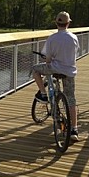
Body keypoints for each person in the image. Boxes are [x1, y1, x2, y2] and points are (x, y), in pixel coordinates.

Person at [32, 11, 80, 141]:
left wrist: (49, 60)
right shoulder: (74, 38)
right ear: (68, 23)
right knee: (71, 98)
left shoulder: (52, 38)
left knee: (35, 70)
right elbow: (75, 52)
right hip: (70, 71)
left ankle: (43, 93)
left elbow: (48, 59)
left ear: (56, 23)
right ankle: (74, 129)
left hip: (55, 68)